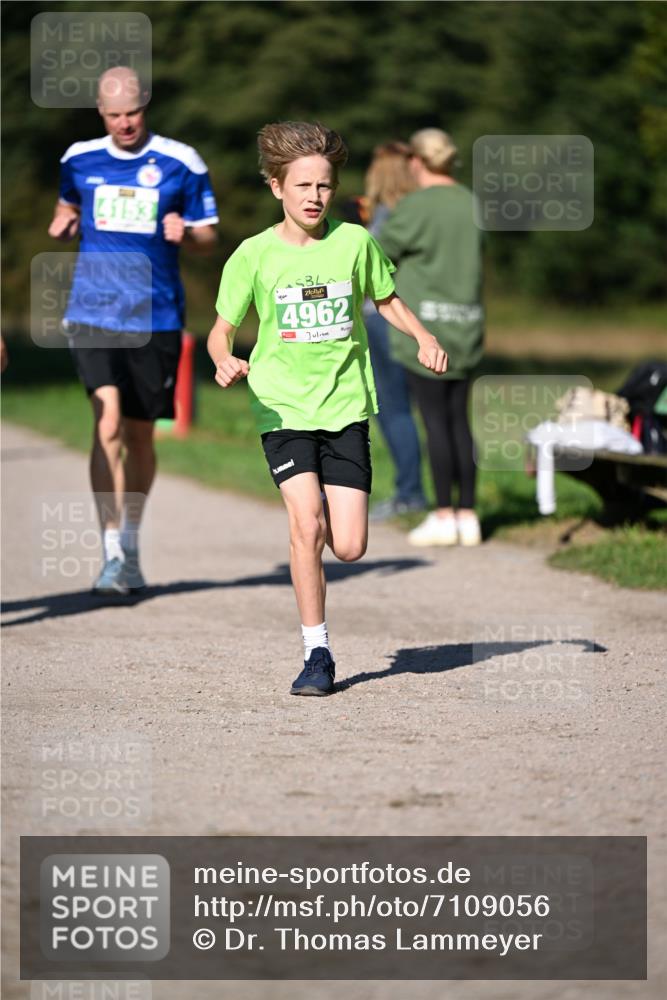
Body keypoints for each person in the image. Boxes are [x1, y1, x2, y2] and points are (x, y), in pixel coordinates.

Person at [207, 121, 447, 696]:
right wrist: (224, 359)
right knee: (305, 522)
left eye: (324, 186)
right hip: (282, 409)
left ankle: (315, 570)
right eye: (303, 186)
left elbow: (385, 299)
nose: (314, 197)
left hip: (344, 408)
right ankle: (317, 653)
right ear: (276, 188)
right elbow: (221, 331)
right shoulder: (253, 255)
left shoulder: (355, 243)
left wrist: (423, 336)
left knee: (350, 544)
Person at [48, 66, 218, 595]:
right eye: (114, 114)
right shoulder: (79, 158)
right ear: (101, 112)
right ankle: (111, 551)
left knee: (141, 436)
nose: (125, 123)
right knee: (108, 423)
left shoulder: (181, 162)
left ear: (146, 104)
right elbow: (67, 203)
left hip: (156, 317)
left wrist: (187, 234)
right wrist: (63, 221)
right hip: (93, 312)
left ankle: (135, 542)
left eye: (133, 112)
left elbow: (210, 234)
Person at [379, 128, 484, 547]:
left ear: (417, 163)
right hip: (469, 325)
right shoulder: (471, 202)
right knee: (461, 421)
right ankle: (469, 515)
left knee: (434, 422)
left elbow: (378, 251)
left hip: (427, 330)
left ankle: (442, 515)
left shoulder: (415, 205)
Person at [362, 142, 426, 521]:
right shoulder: (420, 213)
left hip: (384, 318)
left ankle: (409, 492)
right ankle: (434, 495)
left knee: (393, 409)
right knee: (429, 411)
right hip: (419, 318)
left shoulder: (388, 216)